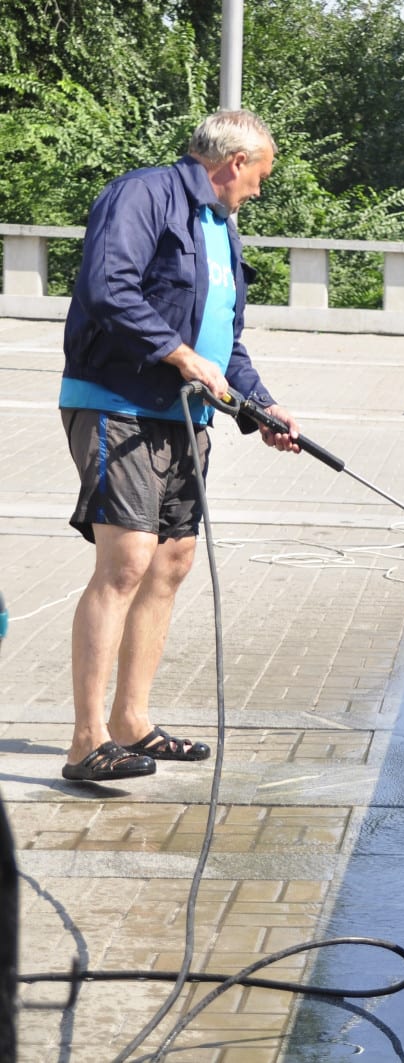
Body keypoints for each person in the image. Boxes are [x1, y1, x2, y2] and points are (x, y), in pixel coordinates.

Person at [59, 109, 301, 782]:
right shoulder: (144, 195)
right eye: (260, 176)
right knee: (127, 560)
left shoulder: (222, 230)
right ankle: (86, 741)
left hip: (186, 414)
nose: (258, 190)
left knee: (172, 560)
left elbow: (226, 341)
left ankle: (132, 722)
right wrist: (176, 353)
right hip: (118, 401)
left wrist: (262, 407)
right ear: (234, 163)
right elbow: (109, 287)